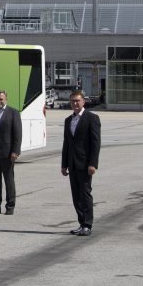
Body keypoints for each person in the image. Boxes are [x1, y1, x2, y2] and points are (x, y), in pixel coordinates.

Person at [62, 89, 101, 236]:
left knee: (85, 194)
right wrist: (64, 164)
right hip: (72, 164)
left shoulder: (92, 118)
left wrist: (93, 164)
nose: (75, 103)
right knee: (76, 196)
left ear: (83, 101)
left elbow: (95, 143)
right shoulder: (68, 120)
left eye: (77, 101)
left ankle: (87, 224)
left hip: (85, 164)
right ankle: (81, 222)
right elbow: (67, 143)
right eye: (72, 101)